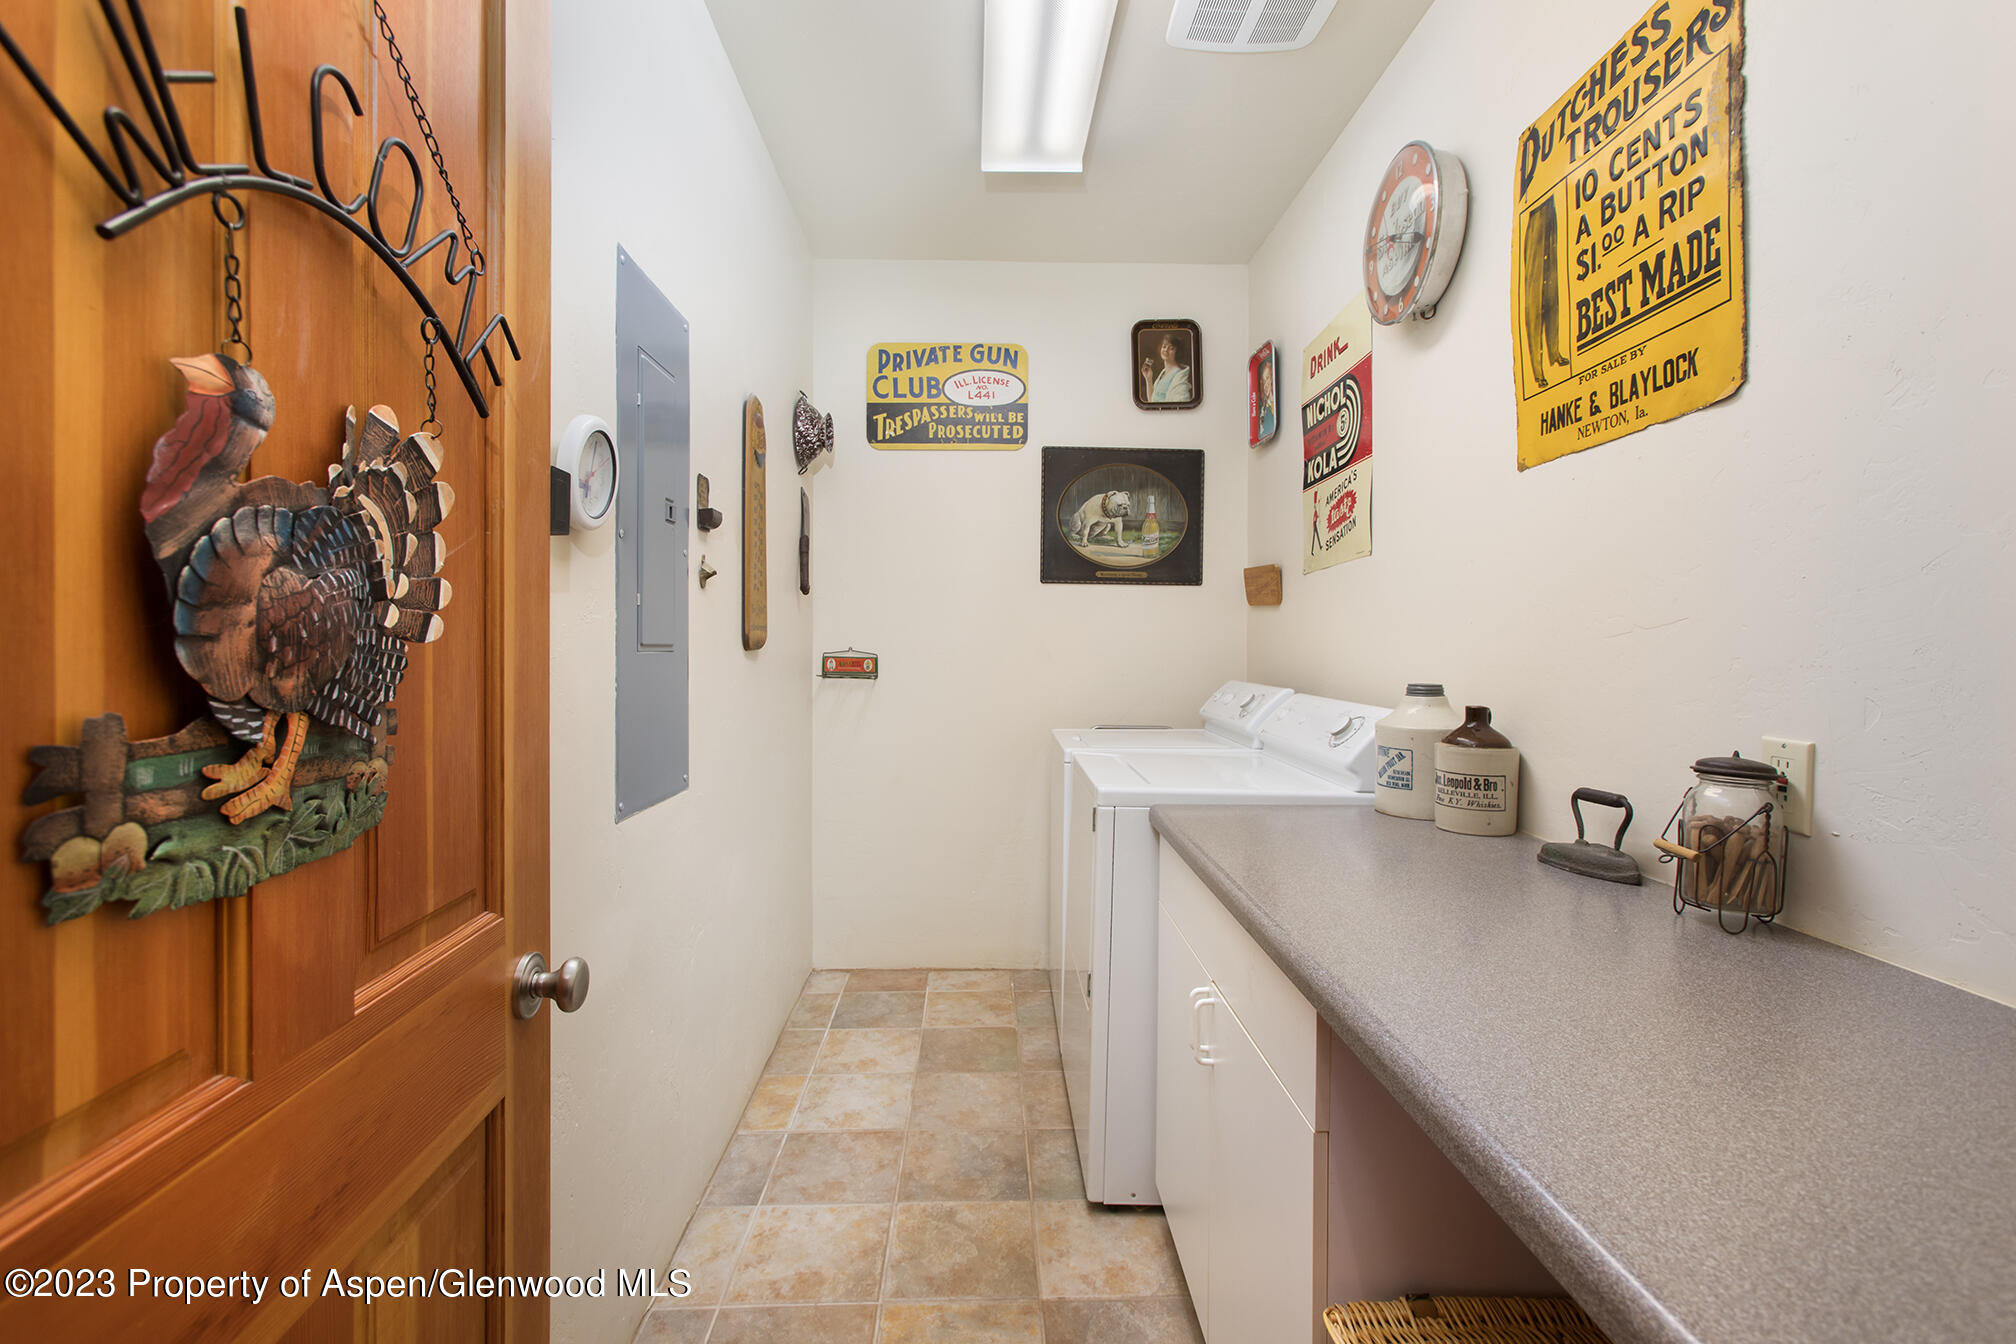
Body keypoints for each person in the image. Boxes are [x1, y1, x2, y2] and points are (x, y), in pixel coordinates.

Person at [1140, 332, 1192, 404]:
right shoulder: (1163, 373)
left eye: (1171, 348)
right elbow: (1152, 402)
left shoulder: (1179, 377)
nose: (1165, 350)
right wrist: (1148, 379)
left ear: (1177, 352)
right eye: (1164, 346)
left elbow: (1182, 403)